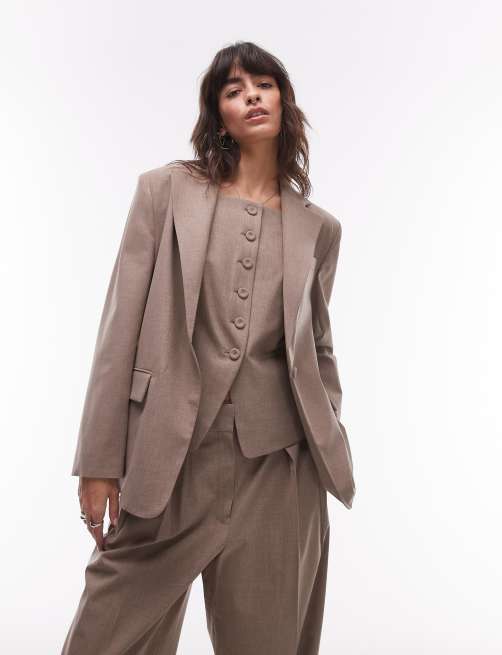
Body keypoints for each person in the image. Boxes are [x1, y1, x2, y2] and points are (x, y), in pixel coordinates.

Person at [61, 40, 355, 655]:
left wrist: (327, 420)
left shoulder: (319, 228)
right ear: (217, 114)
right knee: (105, 635)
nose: (252, 96)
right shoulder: (165, 193)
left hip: (279, 469)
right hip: (170, 459)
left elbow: (317, 344)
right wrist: (98, 460)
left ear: (284, 101)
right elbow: (119, 328)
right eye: (234, 89)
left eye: (264, 85)